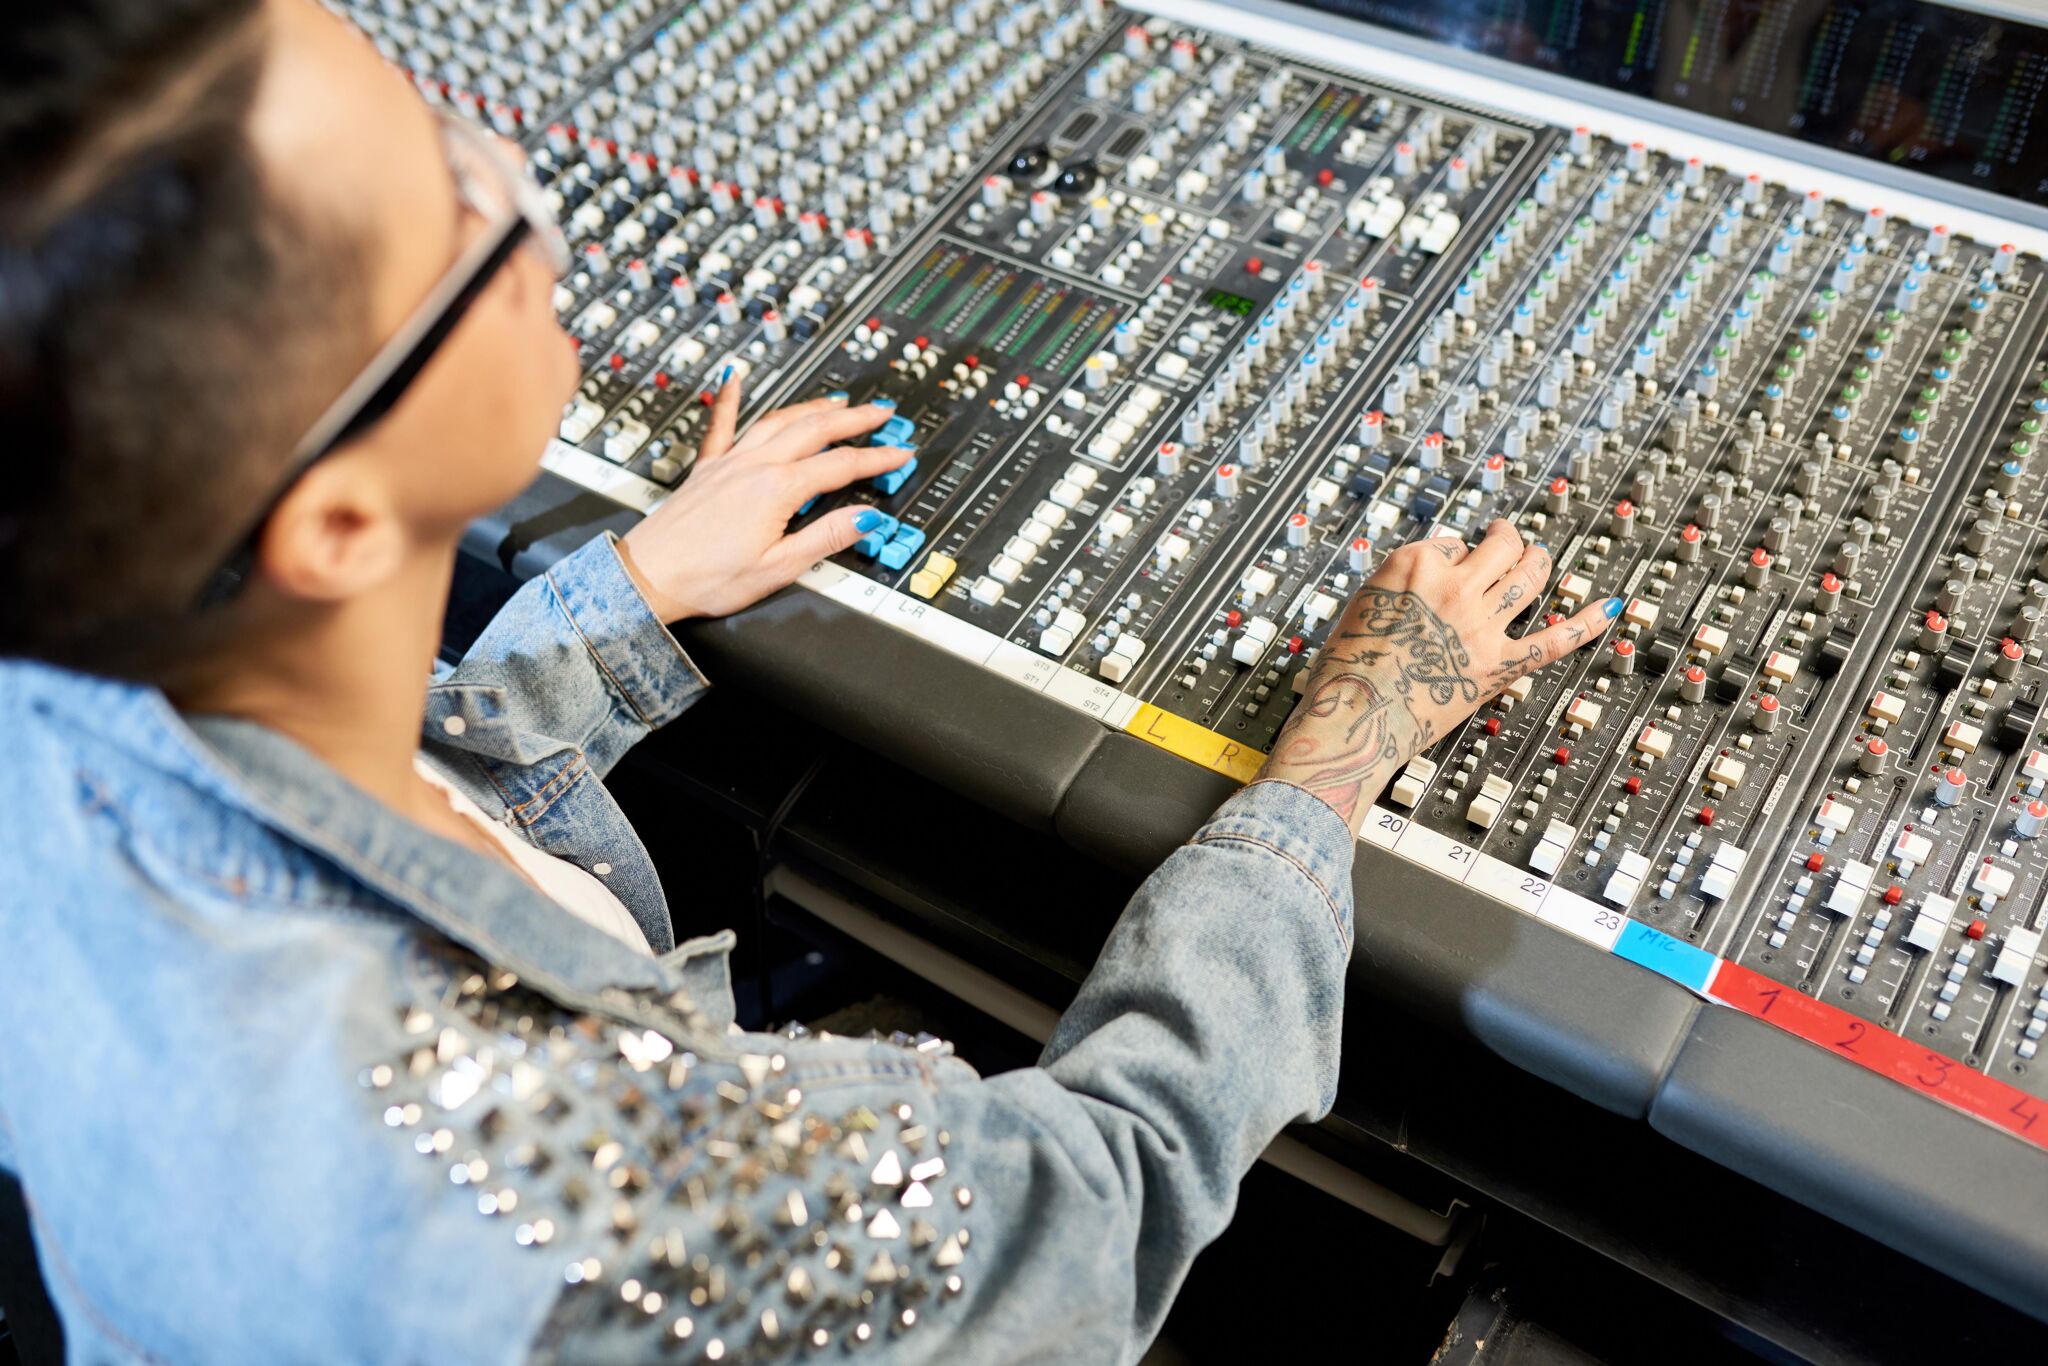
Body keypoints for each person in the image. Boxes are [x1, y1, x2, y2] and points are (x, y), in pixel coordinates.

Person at [0, 1, 1621, 1360]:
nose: (512, 181)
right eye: (448, 208)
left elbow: (382, 790)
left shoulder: (64, 686)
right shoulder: (569, 1162)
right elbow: (1097, 1204)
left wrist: (620, 599)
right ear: (336, 520)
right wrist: (1324, 774)